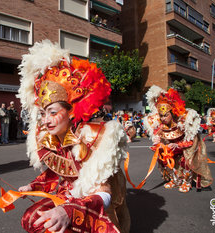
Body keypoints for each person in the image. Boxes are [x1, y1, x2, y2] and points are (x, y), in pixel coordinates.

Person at [11, 40, 130, 233]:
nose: (46, 120)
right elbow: (57, 172)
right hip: (66, 195)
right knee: (31, 219)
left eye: (52, 112)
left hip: (92, 203)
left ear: (71, 112)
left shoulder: (93, 136)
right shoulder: (49, 137)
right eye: (42, 113)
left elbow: (104, 193)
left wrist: (70, 211)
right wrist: (32, 186)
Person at [143, 85, 213, 193]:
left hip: (186, 148)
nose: (163, 118)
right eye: (161, 116)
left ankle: (187, 182)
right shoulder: (160, 125)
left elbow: (191, 141)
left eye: (165, 115)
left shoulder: (183, 122)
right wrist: (158, 143)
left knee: (186, 159)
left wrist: (177, 145)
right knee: (163, 156)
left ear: (171, 113)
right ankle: (175, 179)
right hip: (172, 149)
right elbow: (160, 139)